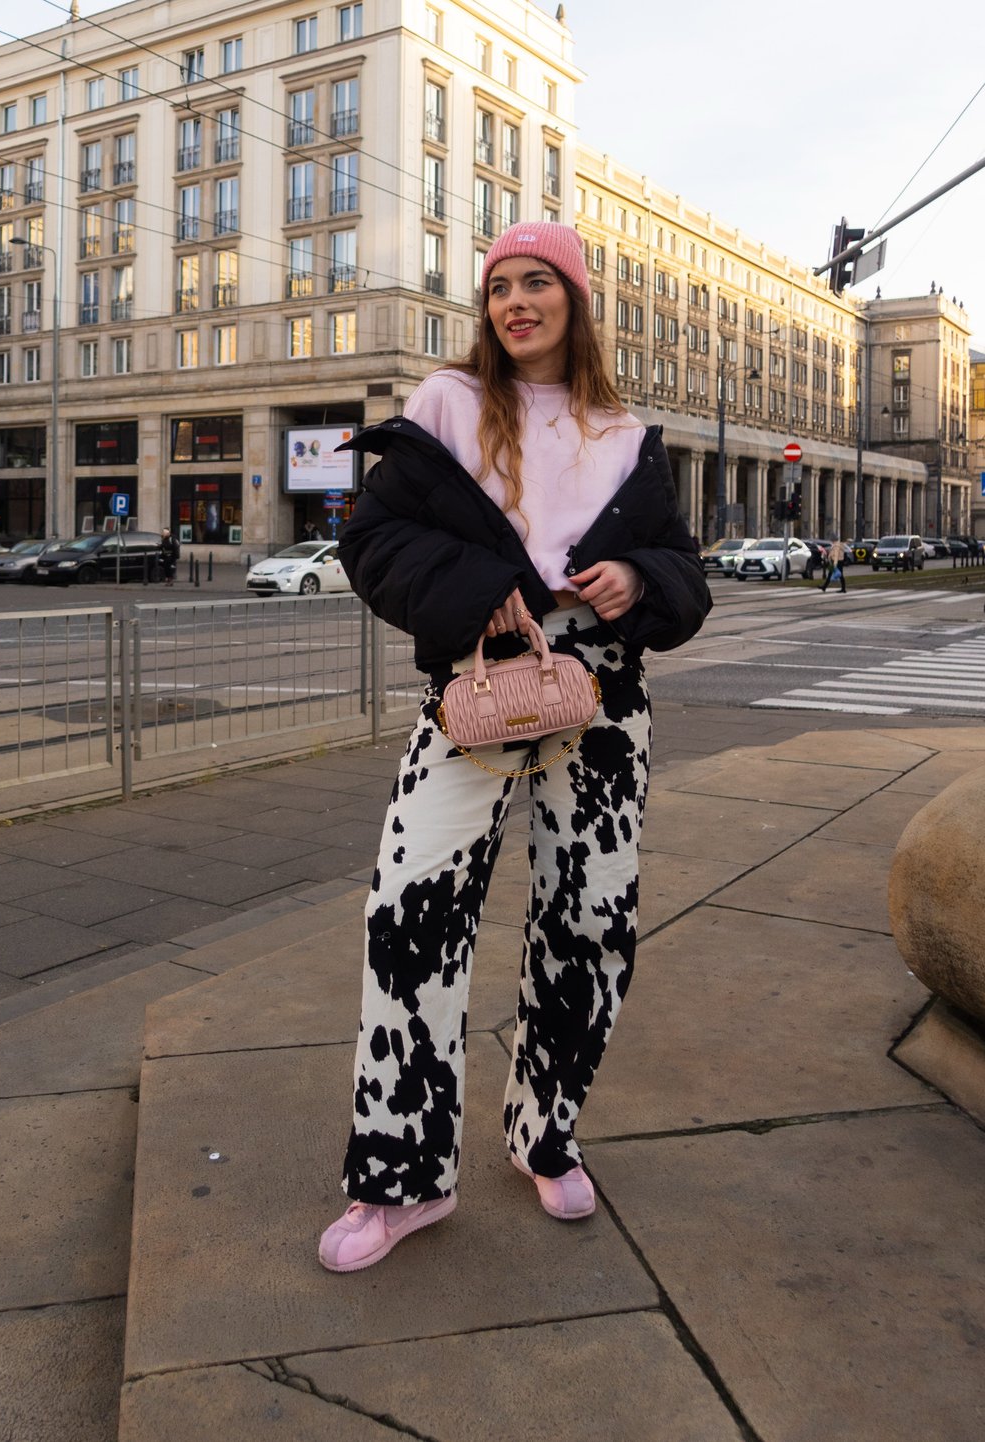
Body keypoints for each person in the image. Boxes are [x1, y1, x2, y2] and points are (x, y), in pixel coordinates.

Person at [319, 221, 712, 1273]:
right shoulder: (445, 406)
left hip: (602, 703)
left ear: (576, 301)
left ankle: (545, 1131)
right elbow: (371, 541)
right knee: (409, 913)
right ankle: (399, 1178)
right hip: (477, 691)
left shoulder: (626, 432)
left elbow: (681, 566)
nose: (516, 302)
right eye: (500, 287)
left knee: (590, 924)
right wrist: (472, 591)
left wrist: (639, 583)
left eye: (539, 283)